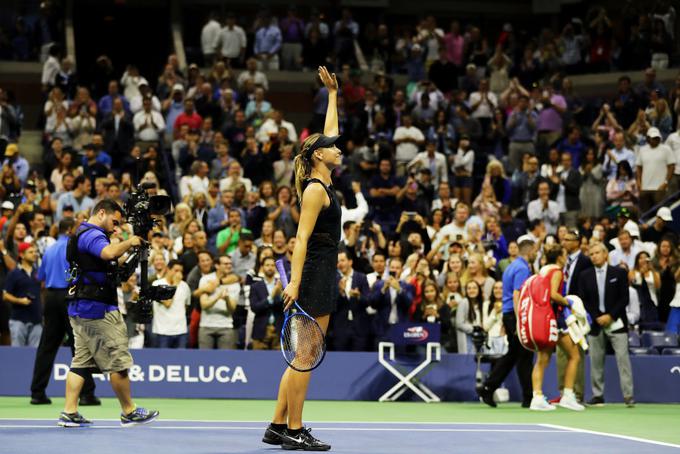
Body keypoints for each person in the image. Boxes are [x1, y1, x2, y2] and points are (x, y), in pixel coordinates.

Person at [263, 66, 339, 451]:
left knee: (301, 354)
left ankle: (277, 425)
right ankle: (294, 429)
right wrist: (294, 282)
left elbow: (332, 133)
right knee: (306, 355)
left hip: (322, 272)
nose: (339, 148)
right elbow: (301, 239)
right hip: (313, 275)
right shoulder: (314, 190)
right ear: (318, 155)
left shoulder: (323, 178)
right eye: (332, 147)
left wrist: (333, 95)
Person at [59, 199, 158, 427]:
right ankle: (129, 411)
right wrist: (129, 241)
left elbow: (104, 262)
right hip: (97, 309)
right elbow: (107, 253)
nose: (115, 227)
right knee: (118, 360)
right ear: (101, 213)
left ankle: (69, 412)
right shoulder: (93, 234)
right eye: (114, 222)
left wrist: (131, 252)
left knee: (80, 362)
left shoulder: (82, 233)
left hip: (80, 306)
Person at [30, 218, 98, 406]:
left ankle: (37, 393)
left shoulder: (49, 249)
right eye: (76, 228)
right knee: (79, 345)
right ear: (69, 230)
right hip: (69, 296)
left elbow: (40, 277)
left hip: (51, 297)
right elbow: (78, 274)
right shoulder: (74, 247)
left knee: (47, 346)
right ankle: (86, 394)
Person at [478, 235, 536, 408]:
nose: (536, 253)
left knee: (514, 355)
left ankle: (489, 388)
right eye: (535, 250)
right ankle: (528, 397)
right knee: (524, 356)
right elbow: (518, 294)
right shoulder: (522, 268)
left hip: (509, 313)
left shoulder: (512, 266)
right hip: (515, 315)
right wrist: (521, 320)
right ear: (530, 250)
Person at [577, 242, 634, 407]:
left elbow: (624, 298)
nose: (593, 256)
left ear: (605, 254)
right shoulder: (584, 275)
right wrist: (597, 317)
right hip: (595, 324)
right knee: (595, 361)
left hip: (616, 322)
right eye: (591, 254)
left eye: (596, 253)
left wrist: (610, 315)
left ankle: (628, 396)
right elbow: (584, 300)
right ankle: (597, 395)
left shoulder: (619, 273)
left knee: (623, 360)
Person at [528, 244, 584, 412]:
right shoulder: (557, 271)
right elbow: (553, 294)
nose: (566, 257)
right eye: (565, 254)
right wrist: (569, 302)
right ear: (560, 256)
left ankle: (537, 397)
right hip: (555, 319)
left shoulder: (542, 271)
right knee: (574, 356)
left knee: (542, 359)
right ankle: (567, 396)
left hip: (543, 319)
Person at [552, 229, 591, 404]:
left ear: (577, 242)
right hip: (560, 313)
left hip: (575, 313)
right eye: (563, 239)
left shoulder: (585, 262)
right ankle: (563, 392)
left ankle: (577, 393)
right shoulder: (561, 262)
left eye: (568, 240)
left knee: (577, 353)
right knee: (561, 354)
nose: (564, 242)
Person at [3, 243, 42, 347]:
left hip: (36, 320)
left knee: (34, 355)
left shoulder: (38, 273)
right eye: (31, 252)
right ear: (22, 255)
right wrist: (20, 301)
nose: (34, 254)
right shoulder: (14, 273)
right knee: (17, 354)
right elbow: (5, 295)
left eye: (35, 252)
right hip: (18, 320)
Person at [152, 260, 191, 348]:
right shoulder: (157, 284)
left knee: (181, 360)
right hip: (162, 331)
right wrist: (175, 284)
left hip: (181, 331)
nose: (179, 274)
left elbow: (186, 305)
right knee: (162, 360)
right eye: (176, 270)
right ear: (168, 269)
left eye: (181, 271)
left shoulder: (185, 286)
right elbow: (167, 303)